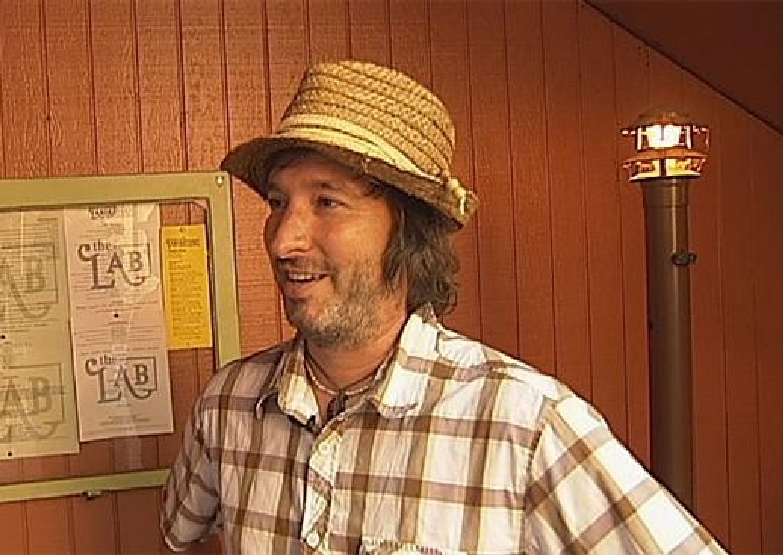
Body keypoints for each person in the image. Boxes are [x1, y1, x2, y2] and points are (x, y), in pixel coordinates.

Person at [160, 60, 725, 554]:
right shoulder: (228, 404)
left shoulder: (525, 423)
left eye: (327, 202)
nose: (283, 240)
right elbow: (184, 538)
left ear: (408, 232)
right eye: (278, 202)